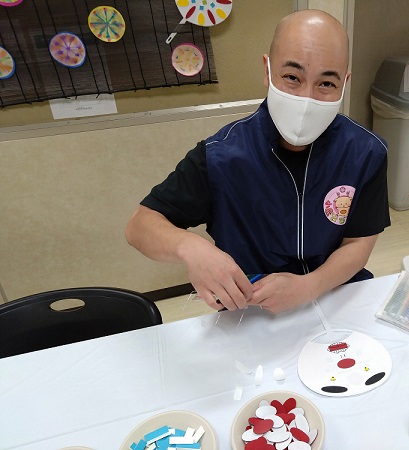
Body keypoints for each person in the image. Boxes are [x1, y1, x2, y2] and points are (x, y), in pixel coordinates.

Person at [125, 9, 390, 314]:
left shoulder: (365, 152)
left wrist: (309, 286)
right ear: (267, 70)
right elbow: (139, 226)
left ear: (345, 83)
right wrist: (192, 248)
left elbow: (358, 243)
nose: (306, 98)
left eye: (326, 84)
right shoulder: (222, 157)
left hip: (337, 295)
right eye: (292, 77)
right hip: (252, 310)